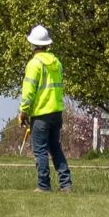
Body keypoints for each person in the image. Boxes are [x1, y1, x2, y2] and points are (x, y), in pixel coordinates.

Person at [19, 25, 71, 192]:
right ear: (47, 44)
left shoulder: (34, 64)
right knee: (55, 148)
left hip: (41, 114)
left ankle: (43, 185)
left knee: (40, 150)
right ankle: (66, 184)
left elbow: (28, 92)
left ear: (33, 45)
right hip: (56, 113)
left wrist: (23, 111)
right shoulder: (57, 63)